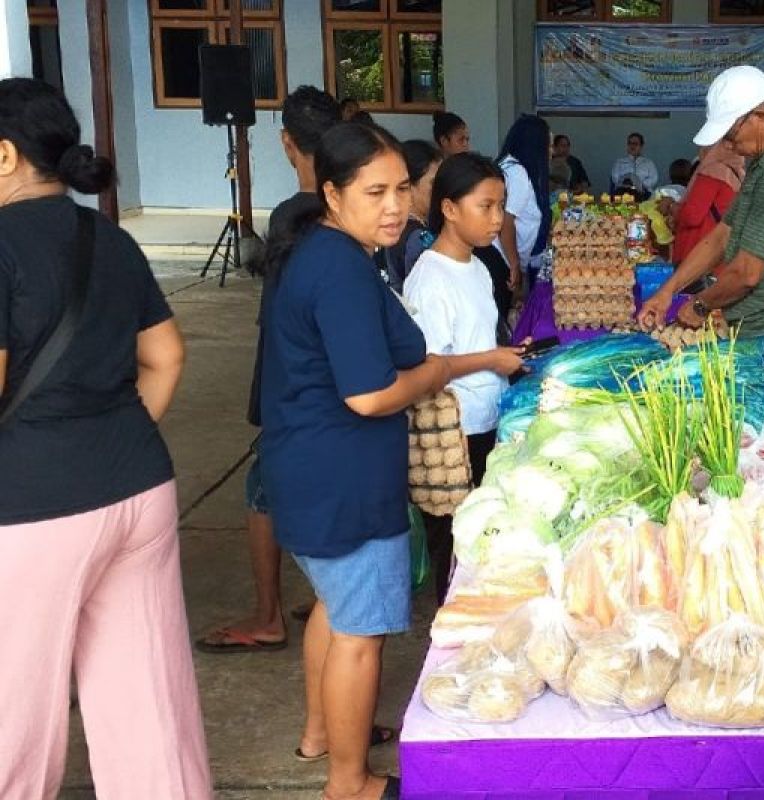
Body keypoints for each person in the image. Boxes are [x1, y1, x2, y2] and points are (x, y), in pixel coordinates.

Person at [0, 78, 210, 798]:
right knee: (148, 702)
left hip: (30, 509)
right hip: (137, 488)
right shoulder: (109, 237)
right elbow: (167, 356)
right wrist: (107, 433)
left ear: (3, 156)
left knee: (11, 719)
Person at [260, 122, 453, 800]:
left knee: (334, 609)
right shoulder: (340, 267)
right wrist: (434, 376)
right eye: (375, 191)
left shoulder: (325, 251)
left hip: (307, 466)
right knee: (360, 635)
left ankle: (322, 732)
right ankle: (351, 782)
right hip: (342, 475)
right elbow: (370, 396)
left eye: (403, 188)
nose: (394, 205)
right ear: (332, 192)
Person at [197, 85, 341, 655]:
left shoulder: (293, 214)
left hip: (294, 373)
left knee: (264, 489)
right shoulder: (348, 212)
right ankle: (327, 591)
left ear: (288, 142)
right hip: (335, 374)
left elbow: (284, 312)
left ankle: (267, 615)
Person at [637, 66, 764, 407]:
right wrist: (668, 291)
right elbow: (722, 235)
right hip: (761, 330)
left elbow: (747, 273)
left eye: (730, 133)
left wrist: (699, 306)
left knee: (761, 440)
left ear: (759, 117)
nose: (728, 144)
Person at [404, 153, 528, 602]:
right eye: (486, 206)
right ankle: (449, 626)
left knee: (481, 533)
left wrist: (505, 355)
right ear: (450, 209)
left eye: (502, 206)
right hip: (456, 430)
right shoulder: (430, 278)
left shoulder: (476, 266)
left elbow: (473, 341)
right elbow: (429, 367)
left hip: (485, 417)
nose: (497, 219)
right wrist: (493, 359)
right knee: (457, 542)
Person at [496, 114, 552, 293]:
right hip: (505, 261)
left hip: (512, 258)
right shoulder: (517, 173)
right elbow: (506, 222)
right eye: (548, 145)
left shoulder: (513, 167)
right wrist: (515, 266)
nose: (552, 151)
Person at [380, 139, 442, 292]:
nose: (441, 190)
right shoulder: (419, 236)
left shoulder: (387, 224)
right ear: (408, 186)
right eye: (434, 184)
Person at [670, 141, 745, 266]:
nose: (702, 151)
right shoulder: (737, 174)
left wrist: (673, 208)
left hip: (697, 253)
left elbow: (692, 216)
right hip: (719, 251)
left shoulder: (713, 172)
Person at [610, 132, 658, 198]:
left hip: (643, 192)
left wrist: (639, 184)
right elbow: (615, 178)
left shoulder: (648, 163)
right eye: (630, 143)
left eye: (635, 143)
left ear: (641, 146)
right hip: (623, 192)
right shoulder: (619, 162)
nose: (632, 146)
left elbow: (654, 179)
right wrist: (626, 181)